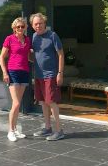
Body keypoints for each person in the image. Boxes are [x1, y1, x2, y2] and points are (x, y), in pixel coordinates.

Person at [30, 12, 65, 140]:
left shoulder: (52, 36)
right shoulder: (34, 37)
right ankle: (47, 128)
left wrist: (60, 73)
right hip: (38, 75)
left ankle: (59, 130)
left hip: (50, 75)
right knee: (43, 102)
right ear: (32, 25)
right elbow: (34, 56)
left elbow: (61, 54)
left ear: (45, 23)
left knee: (51, 102)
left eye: (40, 23)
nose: (38, 25)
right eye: (35, 24)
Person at [0, 17, 32, 141]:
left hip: (24, 72)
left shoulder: (27, 40)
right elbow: (1, 57)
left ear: (25, 28)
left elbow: (29, 56)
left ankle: (15, 129)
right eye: (18, 27)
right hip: (13, 72)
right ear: (14, 28)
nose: (20, 28)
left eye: (22, 26)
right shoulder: (9, 39)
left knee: (18, 104)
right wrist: (5, 73)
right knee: (16, 103)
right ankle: (10, 131)